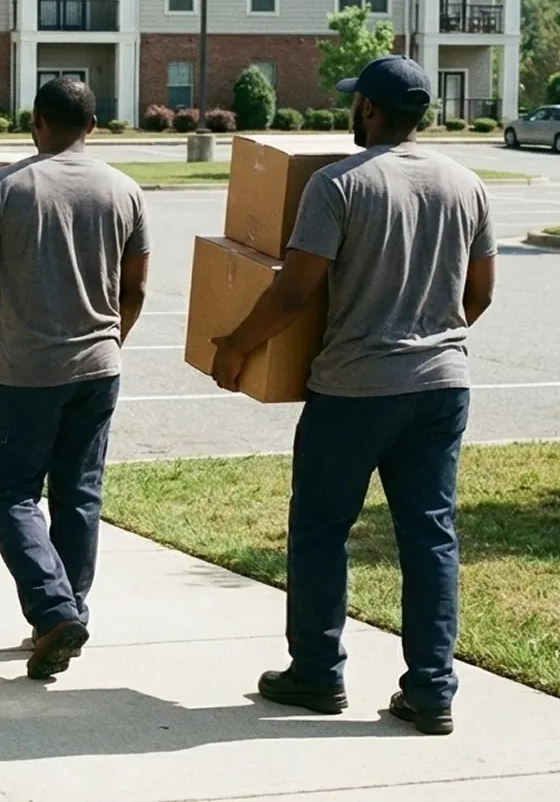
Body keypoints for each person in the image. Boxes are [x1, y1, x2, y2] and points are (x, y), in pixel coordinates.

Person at [211, 55, 496, 736]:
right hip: (441, 388)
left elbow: (295, 289)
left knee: (320, 531)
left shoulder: (340, 184)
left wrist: (237, 345)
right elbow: (479, 294)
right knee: (429, 537)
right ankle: (431, 690)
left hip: (354, 389)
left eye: (354, 104)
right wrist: (431, 336)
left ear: (368, 109)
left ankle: (317, 674)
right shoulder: (467, 183)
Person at [0, 77, 150, 679]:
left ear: (35, 122)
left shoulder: (5, 188)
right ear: (93, 128)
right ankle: (71, 610)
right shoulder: (126, 191)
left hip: (26, 373)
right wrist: (111, 340)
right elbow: (136, 286)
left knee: (9, 491)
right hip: (99, 369)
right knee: (78, 495)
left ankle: (53, 612)